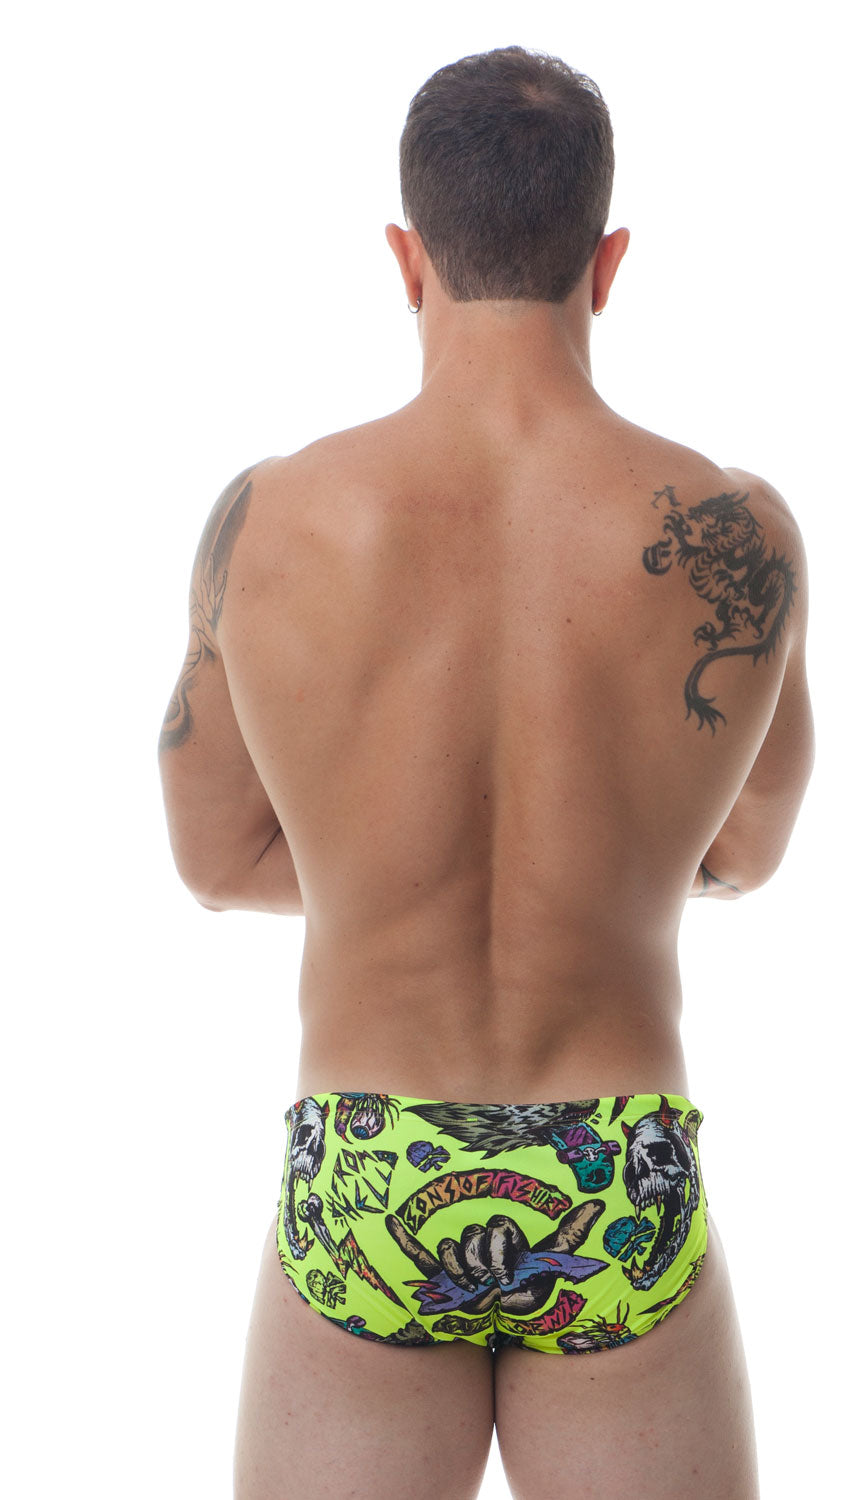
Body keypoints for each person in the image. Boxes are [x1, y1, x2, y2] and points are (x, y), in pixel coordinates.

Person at [158, 44, 814, 1500]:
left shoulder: (269, 521)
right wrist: (609, 867)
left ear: (406, 258)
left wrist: (378, 870)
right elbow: (747, 850)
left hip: (370, 1166)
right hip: (615, 1175)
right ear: (609, 260)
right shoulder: (739, 532)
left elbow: (213, 860)